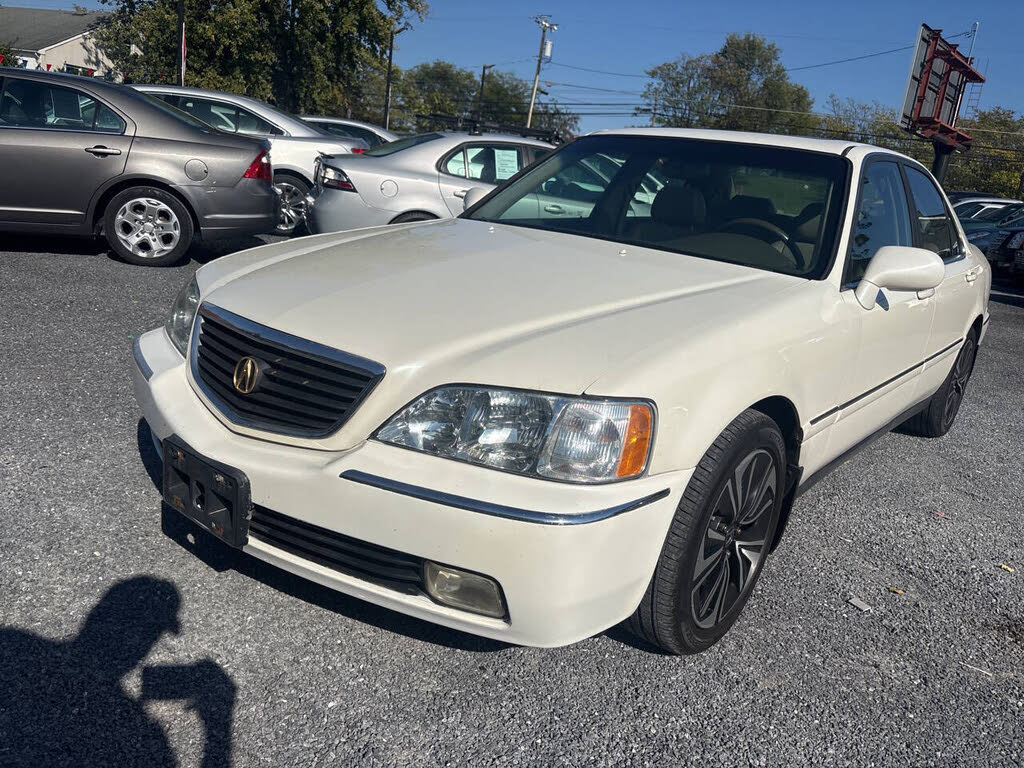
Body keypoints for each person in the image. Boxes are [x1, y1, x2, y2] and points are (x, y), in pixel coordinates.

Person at [0, 576, 235, 767]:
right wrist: (219, 725)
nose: (149, 643)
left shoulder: (11, 643)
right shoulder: (137, 725)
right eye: (152, 634)